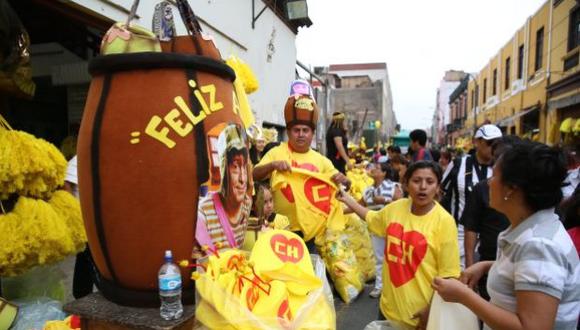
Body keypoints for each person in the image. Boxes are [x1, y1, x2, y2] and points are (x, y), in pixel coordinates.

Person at [433, 141, 580, 330]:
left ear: (511, 188)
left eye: (494, 176)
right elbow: (528, 275)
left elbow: (533, 327)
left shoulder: (540, 245)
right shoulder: (531, 231)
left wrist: (464, 296)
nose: (488, 183)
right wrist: (487, 266)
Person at [338, 161, 460, 329]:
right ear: (405, 184)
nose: (423, 187)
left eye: (430, 182)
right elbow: (371, 216)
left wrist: (430, 310)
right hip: (387, 309)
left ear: (438, 187)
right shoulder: (395, 209)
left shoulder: (444, 222)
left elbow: (448, 276)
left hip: (420, 317)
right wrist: (347, 200)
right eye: (416, 181)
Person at [253, 94, 350, 249]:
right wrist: (273, 166)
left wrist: (344, 181)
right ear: (289, 132)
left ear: (312, 134)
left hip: (313, 232)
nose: (301, 134)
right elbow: (254, 175)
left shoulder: (322, 161)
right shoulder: (276, 152)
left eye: (305, 130)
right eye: (296, 130)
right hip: (279, 229)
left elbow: (343, 188)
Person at [441, 124, 502, 268]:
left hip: (489, 234)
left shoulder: (502, 167)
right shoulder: (458, 163)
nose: (494, 148)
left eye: (498, 143)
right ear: (477, 142)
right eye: (490, 143)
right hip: (460, 232)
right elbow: (441, 191)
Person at [196, 124, 252, 251]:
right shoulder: (203, 214)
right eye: (235, 166)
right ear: (223, 169)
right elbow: (202, 265)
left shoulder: (247, 204)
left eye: (244, 167)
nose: (243, 179)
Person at [362, 162, 403, 299]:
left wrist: (384, 199)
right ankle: (380, 287)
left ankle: (396, 287)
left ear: (384, 173)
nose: (373, 169)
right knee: (380, 259)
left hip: (394, 227)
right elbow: (357, 205)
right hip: (377, 228)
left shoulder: (393, 186)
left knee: (396, 258)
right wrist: (339, 210)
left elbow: (400, 202)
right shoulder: (368, 190)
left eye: (377, 168)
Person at [63, 155, 95, 299]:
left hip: (97, 220)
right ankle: (81, 296)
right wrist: (72, 210)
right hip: (84, 219)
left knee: (93, 259)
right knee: (85, 257)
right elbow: (65, 182)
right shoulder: (81, 156)